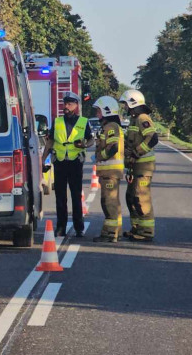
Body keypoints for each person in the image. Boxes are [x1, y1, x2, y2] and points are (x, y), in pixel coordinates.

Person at [42, 92, 93, 237]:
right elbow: (50, 141)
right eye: (65, 103)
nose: (66, 106)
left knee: (76, 196)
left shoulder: (83, 121)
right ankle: (61, 227)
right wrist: (43, 159)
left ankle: (79, 227)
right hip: (60, 162)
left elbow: (91, 140)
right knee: (60, 197)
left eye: (70, 104)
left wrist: (84, 144)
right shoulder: (57, 121)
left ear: (76, 105)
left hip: (75, 162)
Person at [119, 89, 158, 242]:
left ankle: (146, 231)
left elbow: (152, 138)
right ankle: (136, 228)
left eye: (126, 105)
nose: (125, 108)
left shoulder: (142, 118)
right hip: (135, 166)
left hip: (144, 166)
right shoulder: (134, 120)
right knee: (131, 197)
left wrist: (137, 152)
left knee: (141, 198)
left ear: (132, 103)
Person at [91, 96, 125, 242]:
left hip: (110, 171)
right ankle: (116, 231)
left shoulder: (111, 127)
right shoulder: (110, 126)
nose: (97, 114)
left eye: (98, 111)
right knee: (112, 202)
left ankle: (110, 234)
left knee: (109, 202)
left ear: (106, 111)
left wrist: (100, 156)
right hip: (109, 172)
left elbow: (113, 147)